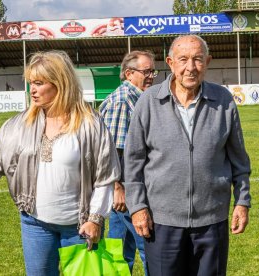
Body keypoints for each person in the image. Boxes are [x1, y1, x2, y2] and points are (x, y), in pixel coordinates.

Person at [123, 34, 252, 275]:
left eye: (198, 59)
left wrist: (242, 201)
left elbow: (239, 160)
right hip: (161, 222)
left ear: (208, 62)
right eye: (183, 59)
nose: (190, 68)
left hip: (212, 221)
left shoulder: (223, 101)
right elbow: (132, 162)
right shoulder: (149, 102)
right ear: (170, 63)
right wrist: (138, 206)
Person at [0, 50, 120, 276]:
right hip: (35, 224)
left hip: (79, 227)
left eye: (39, 83)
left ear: (60, 83)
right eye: (31, 83)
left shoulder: (90, 123)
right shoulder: (18, 125)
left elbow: (105, 177)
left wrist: (96, 219)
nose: (33, 90)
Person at [99, 50, 157, 276]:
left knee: (120, 252)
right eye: (146, 71)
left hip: (129, 191)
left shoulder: (137, 97)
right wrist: (118, 188)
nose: (151, 75)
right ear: (129, 73)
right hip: (127, 192)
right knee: (149, 248)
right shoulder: (122, 101)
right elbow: (111, 150)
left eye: (153, 71)